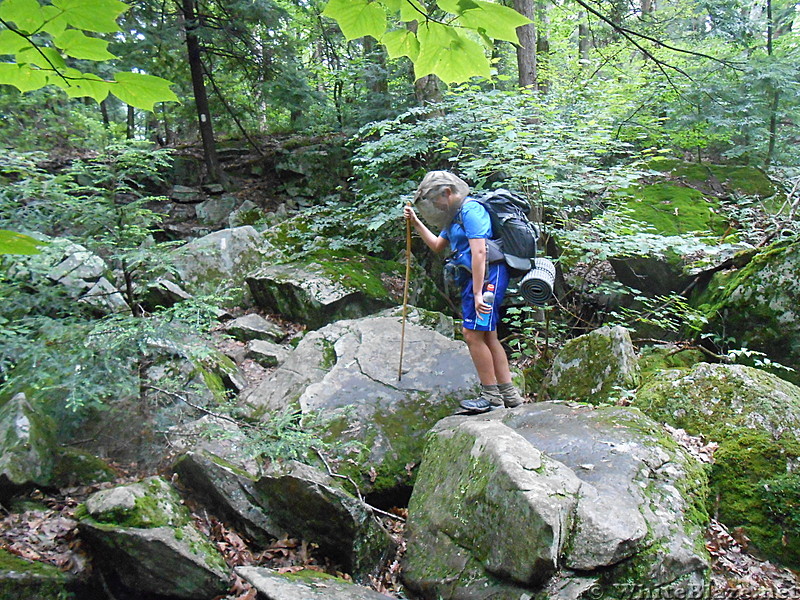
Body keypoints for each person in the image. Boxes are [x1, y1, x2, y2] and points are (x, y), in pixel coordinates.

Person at [404, 171, 524, 413]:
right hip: (473, 276)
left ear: (447, 193)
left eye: (435, 200)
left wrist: (479, 293)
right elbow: (438, 246)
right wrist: (416, 223)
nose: (436, 206)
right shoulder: (454, 217)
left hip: (488, 275)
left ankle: (491, 397)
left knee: (471, 334)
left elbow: (480, 252)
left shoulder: (471, 211)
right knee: (488, 335)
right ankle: (510, 395)